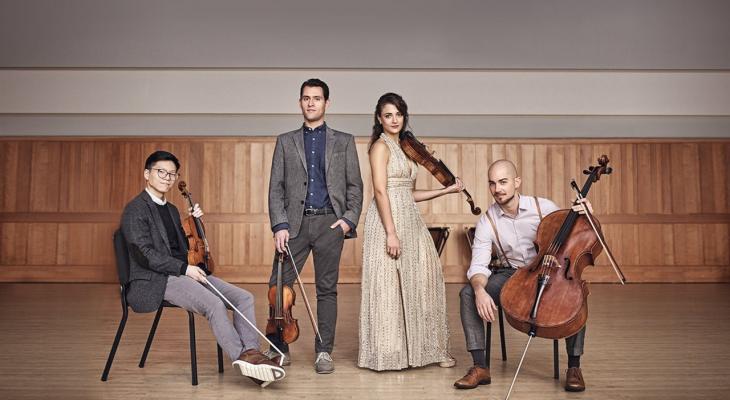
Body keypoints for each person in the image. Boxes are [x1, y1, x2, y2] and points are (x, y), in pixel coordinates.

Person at [120, 150, 285, 387]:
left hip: (181, 272)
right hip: (154, 280)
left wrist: (194, 221)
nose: (167, 178)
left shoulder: (172, 209)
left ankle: (253, 353)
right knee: (214, 303)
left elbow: (186, 247)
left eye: (172, 174)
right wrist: (185, 269)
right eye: (161, 172)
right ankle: (244, 360)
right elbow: (145, 255)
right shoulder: (136, 209)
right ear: (147, 174)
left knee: (244, 297)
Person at [455, 159, 591, 392]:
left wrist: (584, 213)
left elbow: (573, 235)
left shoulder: (543, 207)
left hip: (553, 268)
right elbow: (478, 265)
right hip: (512, 274)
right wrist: (479, 290)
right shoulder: (488, 221)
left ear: (517, 182)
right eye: (492, 183)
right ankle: (480, 367)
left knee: (576, 297)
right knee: (468, 293)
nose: (498, 189)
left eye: (503, 182)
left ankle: (574, 367)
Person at [358, 92, 463, 371]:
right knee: (388, 288)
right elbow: (381, 191)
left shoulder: (406, 147)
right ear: (379, 119)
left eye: (398, 114)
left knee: (425, 280)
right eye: (388, 115)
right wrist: (391, 233)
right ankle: (390, 355)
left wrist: (446, 190)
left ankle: (428, 349)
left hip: (411, 219)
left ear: (404, 117)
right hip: (386, 221)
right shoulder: (379, 147)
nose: (394, 120)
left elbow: (409, 194)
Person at [266, 78, 364, 374]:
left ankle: (324, 351)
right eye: (306, 98)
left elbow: (355, 187)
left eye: (317, 98)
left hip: (328, 224)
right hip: (292, 226)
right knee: (278, 286)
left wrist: (347, 222)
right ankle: (278, 347)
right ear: (300, 103)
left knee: (326, 290)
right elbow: (276, 189)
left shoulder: (344, 141)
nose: (311, 102)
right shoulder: (285, 141)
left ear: (326, 103)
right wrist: (279, 224)